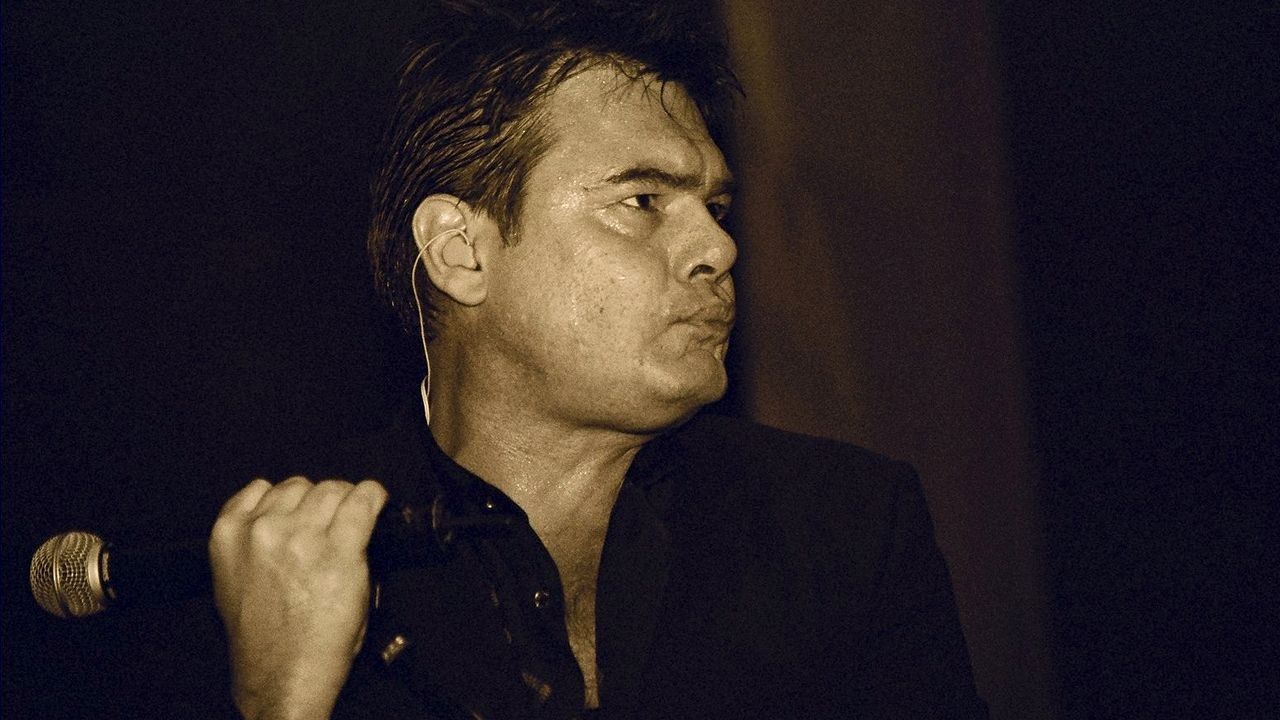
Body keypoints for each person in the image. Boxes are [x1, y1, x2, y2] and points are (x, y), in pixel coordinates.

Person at [208, 1, 989, 718]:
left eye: (716, 208)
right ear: (460, 252)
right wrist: (281, 704)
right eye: (642, 201)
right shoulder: (266, 560)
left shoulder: (840, 530)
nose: (719, 248)